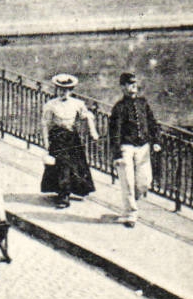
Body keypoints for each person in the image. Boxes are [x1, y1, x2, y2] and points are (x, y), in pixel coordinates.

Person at [109, 72, 161, 227]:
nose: (133, 87)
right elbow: (115, 132)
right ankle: (131, 213)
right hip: (126, 148)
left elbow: (152, 122)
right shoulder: (119, 107)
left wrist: (156, 140)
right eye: (130, 84)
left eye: (135, 84)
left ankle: (130, 204)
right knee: (128, 182)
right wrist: (117, 154)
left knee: (144, 182)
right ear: (123, 87)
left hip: (143, 147)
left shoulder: (143, 103)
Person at [41, 73, 97, 208]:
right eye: (60, 89)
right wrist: (46, 142)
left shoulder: (77, 104)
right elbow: (45, 124)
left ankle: (76, 189)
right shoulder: (51, 105)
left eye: (66, 90)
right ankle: (63, 195)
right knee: (62, 164)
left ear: (71, 91)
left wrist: (93, 131)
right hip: (57, 137)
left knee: (76, 164)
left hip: (72, 137)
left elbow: (87, 116)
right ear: (56, 89)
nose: (63, 93)